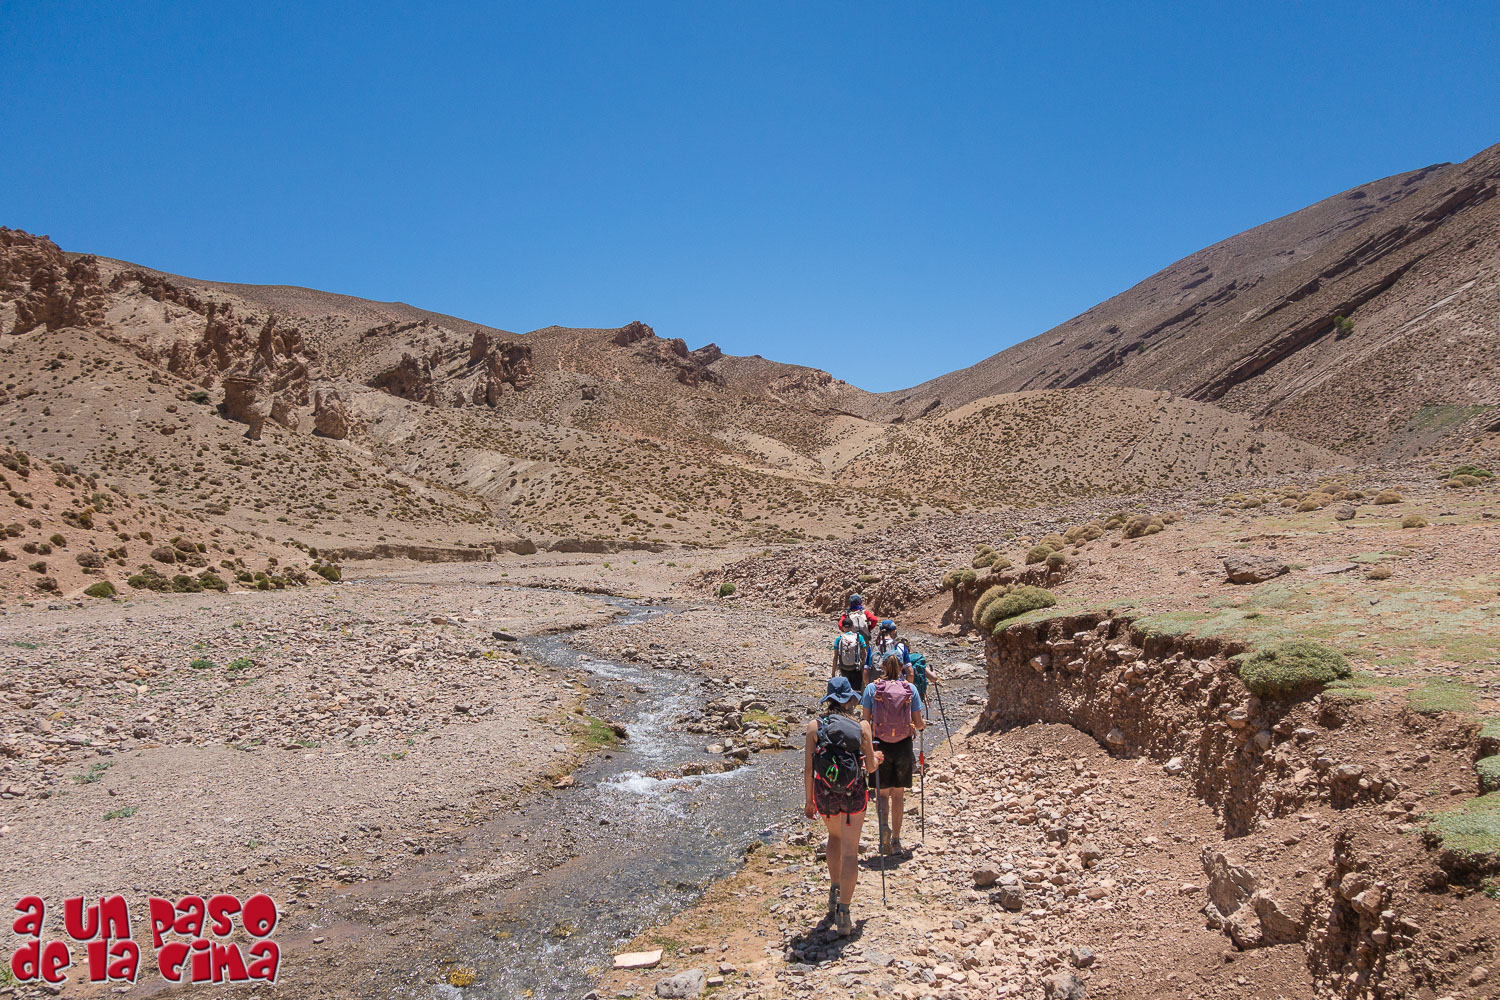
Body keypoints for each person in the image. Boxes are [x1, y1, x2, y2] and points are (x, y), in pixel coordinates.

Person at [804, 675, 882, 937]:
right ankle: (845, 915)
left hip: (825, 793)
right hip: (854, 793)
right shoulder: (862, 726)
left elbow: (808, 769)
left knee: (834, 837)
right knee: (851, 852)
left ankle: (834, 890)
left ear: (828, 700)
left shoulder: (814, 727)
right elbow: (870, 767)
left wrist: (809, 802)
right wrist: (877, 759)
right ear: (849, 699)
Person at [861, 654, 925, 857]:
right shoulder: (910, 689)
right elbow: (918, 722)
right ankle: (896, 840)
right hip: (903, 745)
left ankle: (883, 832)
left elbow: (864, 721)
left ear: (882, 667)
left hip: (879, 745)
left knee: (882, 794)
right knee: (898, 794)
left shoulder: (872, 689)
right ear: (901, 668)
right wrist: (921, 726)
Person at [838, 594, 878, 673]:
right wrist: (869, 628)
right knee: (865, 657)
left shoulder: (847, 614)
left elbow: (840, 625)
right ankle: (864, 673)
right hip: (865, 638)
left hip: (852, 639)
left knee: (852, 655)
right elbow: (874, 619)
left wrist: (846, 632)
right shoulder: (864, 612)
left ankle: (853, 671)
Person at [872, 619, 909, 685]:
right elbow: (910, 672)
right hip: (897, 685)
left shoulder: (872, 647)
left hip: (878, 685)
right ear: (894, 631)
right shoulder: (900, 646)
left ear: (880, 631)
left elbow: (866, 670)